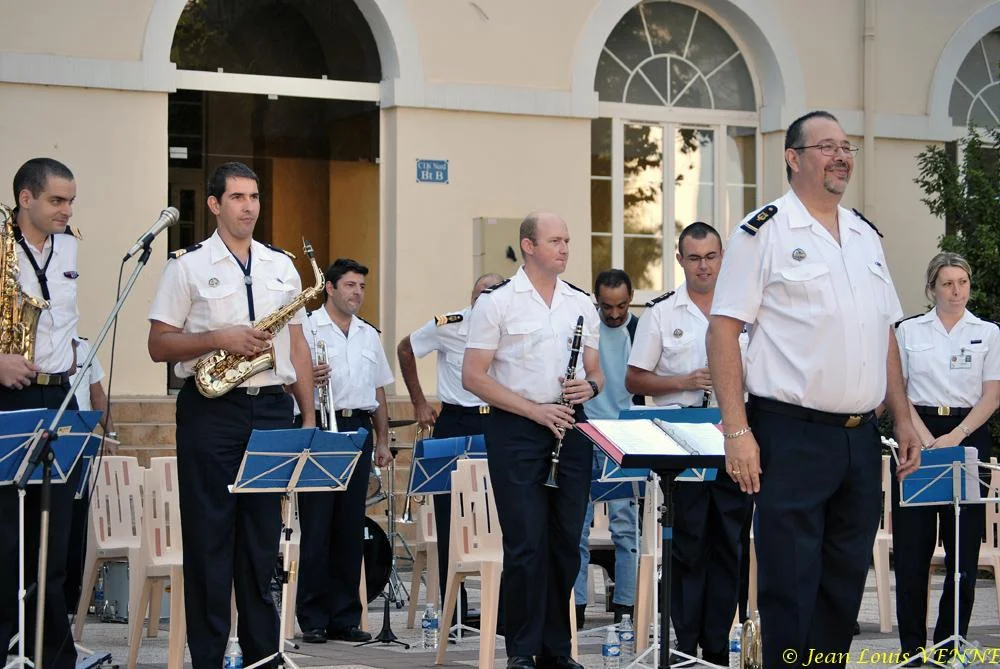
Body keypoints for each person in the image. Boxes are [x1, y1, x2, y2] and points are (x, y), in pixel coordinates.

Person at [706, 111, 922, 669]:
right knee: (791, 585)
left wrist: (903, 417)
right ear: (793, 157)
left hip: (858, 439)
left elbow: (884, 333)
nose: (841, 156)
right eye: (827, 147)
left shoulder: (864, 236)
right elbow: (723, 330)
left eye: (846, 147)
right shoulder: (764, 231)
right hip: (790, 433)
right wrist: (737, 432)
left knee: (843, 585)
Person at [147, 161, 316, 668]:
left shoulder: (281, 265)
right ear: (214, 204)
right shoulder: (186, 265)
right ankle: (209, 657)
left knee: (262, 541)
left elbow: (297, 344)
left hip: (272, 407)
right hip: (211, 409)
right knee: (209, 539)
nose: (249, 207)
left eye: (254, 197)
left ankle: (264, 656)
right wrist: (220, 338)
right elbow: (159, 344)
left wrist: (307, 418)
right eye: (238, 197)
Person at [463, 212, 603, 669]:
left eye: (567, 240)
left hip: (570, 426)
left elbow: (596, 371)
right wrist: (533, 410)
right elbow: (473, 377)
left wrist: (590, 387)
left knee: (566, 544)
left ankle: (557, 648)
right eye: (555, 240)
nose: (564, 248)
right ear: (528, 245)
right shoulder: (498, 302)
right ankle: (522, 649)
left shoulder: (581, 302)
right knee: (526, 544)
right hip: (518, 429)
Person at [625, 222, 751, 666]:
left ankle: (717, 647)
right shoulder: (661, 313)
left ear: (723, 258)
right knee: (689, 546)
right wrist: (684, 381)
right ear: (680, 260)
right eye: (694, 258)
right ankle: (683, 646)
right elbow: (634, 379)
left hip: (734, 439)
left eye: (711, 257)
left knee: (730, 544)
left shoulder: (746, 311)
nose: (703, 266)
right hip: (682, 445)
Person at [891, 252, 1000, 665]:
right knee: (912, 552)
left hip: (967, 434)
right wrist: (922, 436)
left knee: (962, 553)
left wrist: (956, 436)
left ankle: (950, 646)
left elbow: (992, 393)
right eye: (947, 283)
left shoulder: (988, 333)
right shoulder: (908, 330)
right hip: (916, 434)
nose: (956, 291)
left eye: (963, 282)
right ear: (931, 288)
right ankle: (912, 650)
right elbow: (897, 388)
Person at [0, 158, 82, 669]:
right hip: (8, 394)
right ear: (25, 198)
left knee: (54, 537)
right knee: (6, 538)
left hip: (59, 396)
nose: (66, 210)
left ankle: (50, 653)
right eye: (56, 200)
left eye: (70, 201)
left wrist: (70, 356)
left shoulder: (69, 246)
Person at [396, 271, 503, 627]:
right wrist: (418, 401)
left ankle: (503, 612)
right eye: (480, 294)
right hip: (456, 420)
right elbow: (406, 348)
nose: (485, 299)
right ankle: (453, 612)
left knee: (503, 513)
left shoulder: (511, 325)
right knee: (450, 516)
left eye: (492, 293)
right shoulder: (451, 325)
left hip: (500, 421)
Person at [295, 257, 393, 644]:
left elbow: (378, 389)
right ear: (330, 288)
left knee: (349, 528)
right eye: (350, 285)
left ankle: (345, 617)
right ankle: (313, 618)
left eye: (362, 287)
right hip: (320, 425)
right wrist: (306, 378)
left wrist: (382, 439)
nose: (357, 293)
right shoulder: (306, 327)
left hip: (357, 428)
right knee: (318, 525)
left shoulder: (369, 334)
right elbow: (286, 378)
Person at [572, 269, 639, 628]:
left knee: (625, 527)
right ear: (596, 300)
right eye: (607, 306)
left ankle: (626, 605)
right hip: (586, 432)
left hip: (624, 437)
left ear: (631, 299)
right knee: (577, 526)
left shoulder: (639, 330)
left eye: (621, 306)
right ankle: (577, 606)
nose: (614, 314)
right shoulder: (586, 328)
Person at [64, 334, 118, 613]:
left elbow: (98, 395)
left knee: (77, 519)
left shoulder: (85, 347)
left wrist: (111, 434)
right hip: (52, 436)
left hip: (81, 442)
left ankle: (73, 598)